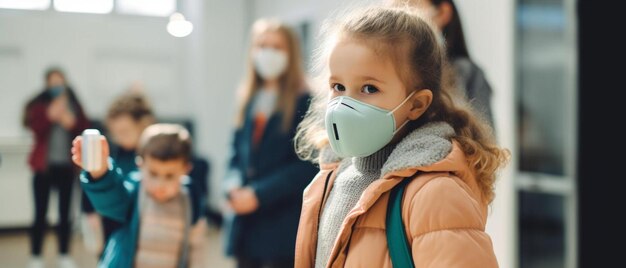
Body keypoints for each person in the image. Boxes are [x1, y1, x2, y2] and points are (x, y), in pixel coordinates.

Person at [293, 6, 508, 267]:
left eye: (369, 88)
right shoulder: (329, 179)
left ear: (416, 104)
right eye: (338, 86)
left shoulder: (436, 194)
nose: (344, 104)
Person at [224, 18, 318, 268]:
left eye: (277, 47)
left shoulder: (305, 99)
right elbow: (235, 153)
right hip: (246, 225)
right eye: (262, 45)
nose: (268, 53)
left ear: (291, 52)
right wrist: (232, 185)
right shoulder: (248, 97)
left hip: (281, 223)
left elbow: (308, 165)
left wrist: (258, 194)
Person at [72, 124, 207, 268]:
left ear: (186, 170)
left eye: (169, 176)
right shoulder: (135, 192)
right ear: (140, 165)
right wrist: (99, 170)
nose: (160, 184)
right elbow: (111, 200)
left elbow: (195, 245)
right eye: (153, 174)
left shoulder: (190, 199)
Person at [22, 67, 90, 268]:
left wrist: (72, 122)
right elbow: (34, 128)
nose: (56, 86)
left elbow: (85, 129)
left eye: (59, 82)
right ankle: (36, 256)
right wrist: (49, 116)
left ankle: (64, 255)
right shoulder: (39, 106)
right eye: (52, 83)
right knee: (39, 215)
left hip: (67, 169)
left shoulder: (75, 105)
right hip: (43, 169)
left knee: (65, 215)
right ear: (46, 84)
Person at [389, 0, 495, 126]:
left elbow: (485, 139)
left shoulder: (468, 73)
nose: (396, 16)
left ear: (443, 12)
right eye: (392, 8)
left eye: (408, 5)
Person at [80, 91, 155, 254]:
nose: (119, 138)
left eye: (125, 132)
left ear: (143, 125)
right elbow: (93, 182)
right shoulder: (114, 151)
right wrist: (89, 212)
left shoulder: (153, 156)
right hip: (111, 226)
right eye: (115, 133)